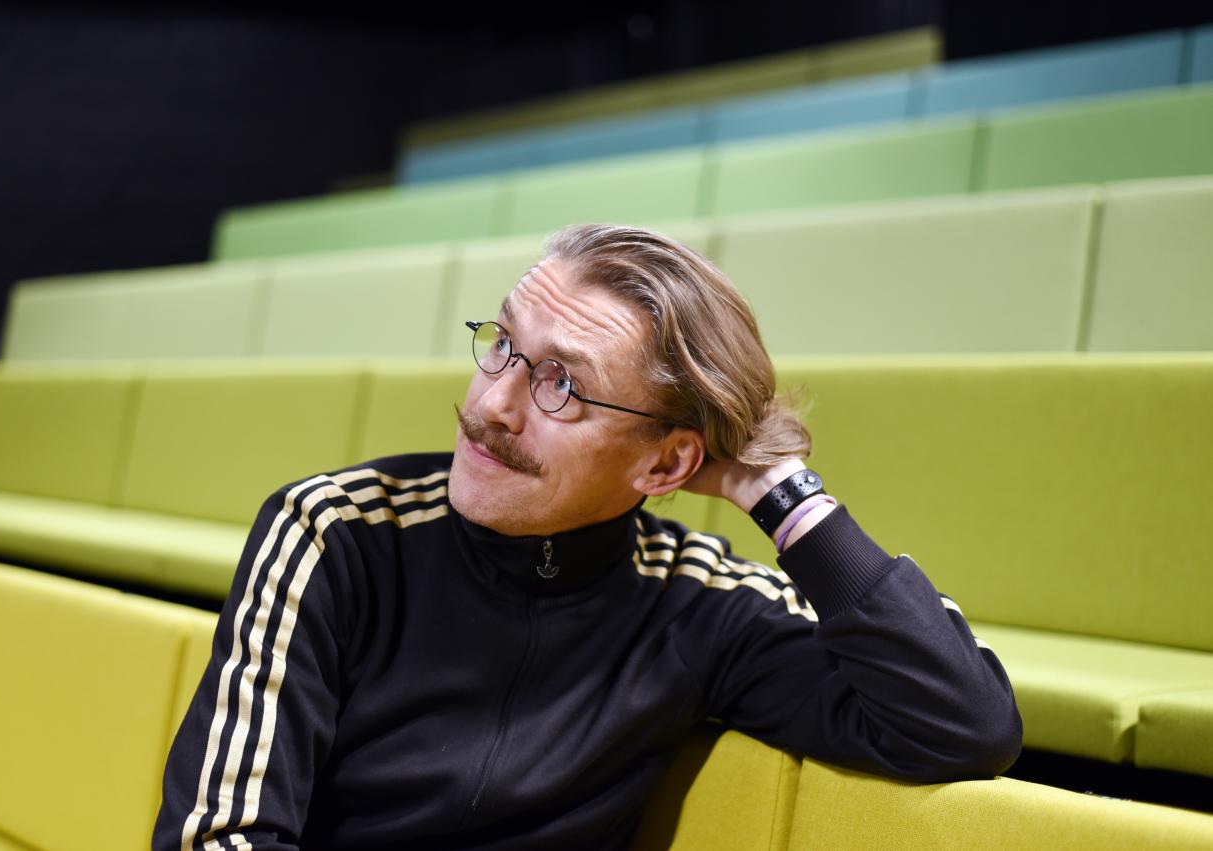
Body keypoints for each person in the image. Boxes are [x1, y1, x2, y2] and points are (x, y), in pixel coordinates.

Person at [154, 224, 1022, 850]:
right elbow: (219, 835)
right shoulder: (336, 534)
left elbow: (961, 722)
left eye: (561, 384)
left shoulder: (695, 602)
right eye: (501, 344)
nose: (490, 404)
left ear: (665, 463)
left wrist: (778, 493)